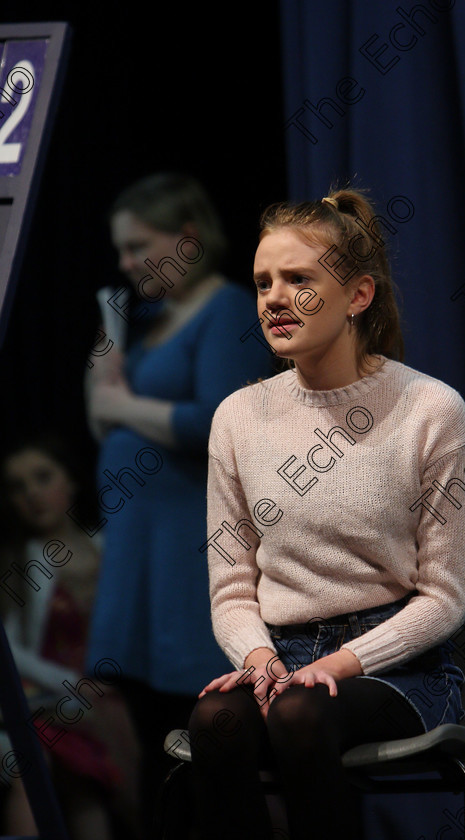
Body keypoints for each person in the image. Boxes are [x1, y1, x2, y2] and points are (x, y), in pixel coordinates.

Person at [188, 188, 465, 840]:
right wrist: (260, 659)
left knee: (298, 715)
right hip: (283, 660)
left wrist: (341, 664)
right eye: (263, 282)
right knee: (217, 722)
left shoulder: (432, 410)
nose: (273, 298)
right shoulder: (237, 417)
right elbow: (232, 587)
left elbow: (444, 597)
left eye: (298, 279)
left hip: (400, 672)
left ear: (358, 296)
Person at [84, 173, 272, 832]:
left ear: (187, 239)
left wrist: (123, 404)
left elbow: (217, 422)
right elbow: (97, 416)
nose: (128, 263)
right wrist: (110, 333)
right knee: (146, 727)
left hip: (188, 558)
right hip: (139, 556)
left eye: (139, 246)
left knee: (192, 727)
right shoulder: (152, 322)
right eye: (121, 250)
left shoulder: (226, 311)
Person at [0, 435, 141, 840]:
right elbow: (11, 652)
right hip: (51, 701)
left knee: (91, 794)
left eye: (42, 478)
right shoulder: (21, 561)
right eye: (17, 487)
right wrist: (73, 684)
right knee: (40, 766)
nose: (31, 495)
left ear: (71, 481)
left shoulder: (110, 547)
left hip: (117, 692)